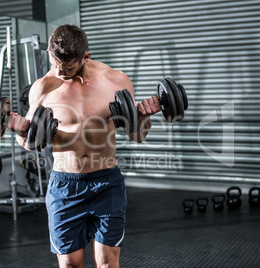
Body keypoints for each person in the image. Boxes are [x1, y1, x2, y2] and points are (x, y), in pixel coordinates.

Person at [9, 24, 161, 268]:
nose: (59, 73)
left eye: (68, 69)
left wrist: (143, 116)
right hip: (65, 185)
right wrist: (20, 130)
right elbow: (30, 143)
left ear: (85, 57)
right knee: (70, 264)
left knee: (107, 264)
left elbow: (138, 136)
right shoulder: (42, 88)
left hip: (106, 183)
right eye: (55, 65)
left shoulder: (115, 81)